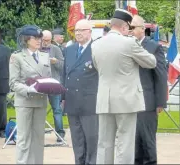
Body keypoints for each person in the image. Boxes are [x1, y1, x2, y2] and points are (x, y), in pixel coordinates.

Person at [91, 9, 157, 164]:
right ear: (124, 27)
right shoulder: (129, 43)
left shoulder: (96, 44)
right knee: (125, 142)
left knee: (104, 143)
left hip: (104, 99)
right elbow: (151, 62)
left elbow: (96, 67)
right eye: (130, 28)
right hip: (126, 100)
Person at [9, 25, 51, 164]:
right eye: (35, 38)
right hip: (25, 102)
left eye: (40, 38)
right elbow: (13, 83)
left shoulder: (45, 56)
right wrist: (28, 89)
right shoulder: (17, 57)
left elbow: (48, 77)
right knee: (24, 138)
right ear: (27, 39)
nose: (39, 40)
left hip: (40, 101)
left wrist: (52, 85)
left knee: (39, 138)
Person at [130, 15, 167, 165]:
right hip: (129, 100)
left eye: (133, 28)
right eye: (129, 28)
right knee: (133, 141)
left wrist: (160, 102)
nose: (130, 31)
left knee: (147, 140)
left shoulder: (153, 47)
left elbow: (160, 75)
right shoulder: (126, 45)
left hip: (147, 101)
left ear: (142, 29)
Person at [62, 19, 99, 164]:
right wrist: (63, 97)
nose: (78, 33)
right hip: (72, 100)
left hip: (89, 102)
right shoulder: (69, 50)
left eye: (81, 30)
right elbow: (64, 75)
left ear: (89, 32)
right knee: (77, 139)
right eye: (76, 30)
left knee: (91, 139)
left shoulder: (96, 48)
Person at [42, 30, 65, 142]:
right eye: (43, 40)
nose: (45, 42)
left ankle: (60, 134)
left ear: (51, 39)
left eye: (48, 40)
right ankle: (38, 133)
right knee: (40, 109)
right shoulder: (37, 48)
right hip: (41, 84)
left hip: (54, 83)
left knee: (56, 110)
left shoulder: (56, 49)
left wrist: (55, 62)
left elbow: (63, 66)